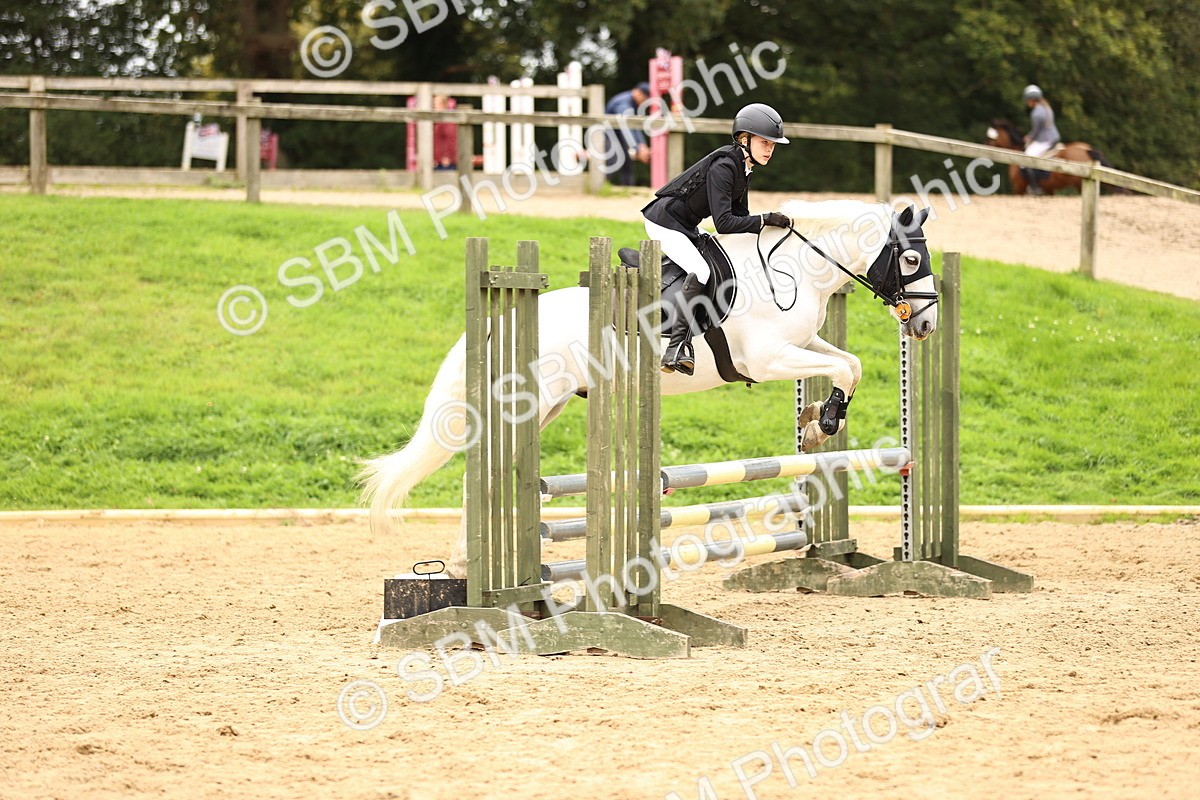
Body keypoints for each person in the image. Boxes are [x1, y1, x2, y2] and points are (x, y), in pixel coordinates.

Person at [642, 102, 792, 375]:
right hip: (663, 223)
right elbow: (723, 223)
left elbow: (741, 217)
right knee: (700, 269)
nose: (770, 149)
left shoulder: (743, 167)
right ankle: (676, 347)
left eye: (773, 144)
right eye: (764, 142)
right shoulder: (724, 166)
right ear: (744, 139)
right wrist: (765, 219)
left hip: (685, 225)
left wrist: (766, 227)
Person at [605, 82, 651, 186]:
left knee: (626, 162)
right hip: (608, 136)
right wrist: (637, 149)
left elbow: (633, 125)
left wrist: (641, 144)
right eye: (645, 100)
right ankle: (601, 188)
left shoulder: (631, 103)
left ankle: (627, 188)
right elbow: (626, 128)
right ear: (639, 93)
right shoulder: (623, 104)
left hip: (618, 135)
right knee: (612, 161)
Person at [1021, 84, 1060, 194]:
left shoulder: (1036, 113)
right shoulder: (1046, 107)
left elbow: (1036, 132)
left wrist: (1029, 137)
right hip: (1054, 137)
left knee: (1024, 160)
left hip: (1044, 141)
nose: (1026, 102)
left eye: (1027, 100)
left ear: (1032, 99)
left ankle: (1035, 187)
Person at [432, 95, 457, 170]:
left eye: (436, 104)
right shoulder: (436, 122)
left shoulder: (448, 121)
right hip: (437, 162)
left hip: (445, 163)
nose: (434, 107)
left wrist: (448, 157)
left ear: (443, 105)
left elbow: (451, 140)